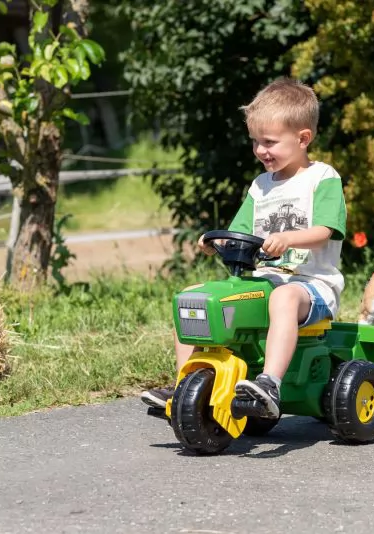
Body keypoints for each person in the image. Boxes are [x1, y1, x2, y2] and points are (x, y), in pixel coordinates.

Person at [141, 77, 346, 419]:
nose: (261, 150)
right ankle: (187, 383)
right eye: (255, 142)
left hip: (312, 286)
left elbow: (326, 230)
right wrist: (215, 241)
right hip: (264, 282)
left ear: (303, 138)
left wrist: (288, 239)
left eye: (270, 142)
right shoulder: (260, 186)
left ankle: (269, 383)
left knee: (284, 297)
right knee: (195, 295)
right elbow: (238, 231)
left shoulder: (322, 178)